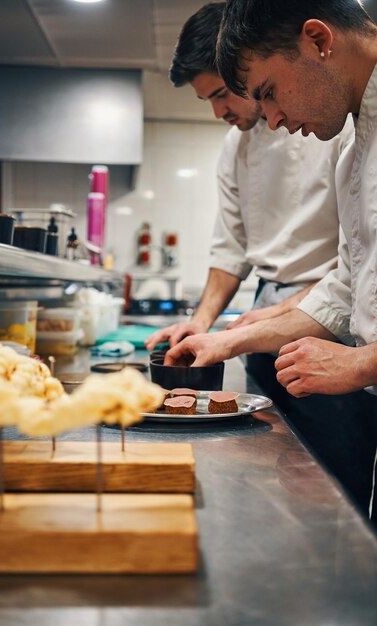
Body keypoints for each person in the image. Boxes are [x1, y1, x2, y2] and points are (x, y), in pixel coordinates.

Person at [165, 0, 377, 522]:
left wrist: (361, 361)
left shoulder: (343, 138)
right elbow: (348, 286)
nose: (273, 119)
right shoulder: (357, 151)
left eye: (267, 92)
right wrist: (225, 337)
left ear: (318, 40)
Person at [145, 2, 353, 353]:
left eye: (221, 94)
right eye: (205, 100)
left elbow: (354, 264)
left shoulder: (332, 122)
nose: (217, 112)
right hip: (265, 302)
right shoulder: (236, 145)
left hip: (324, 304)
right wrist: (199, 321)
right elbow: (231, 247)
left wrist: (285, 309)